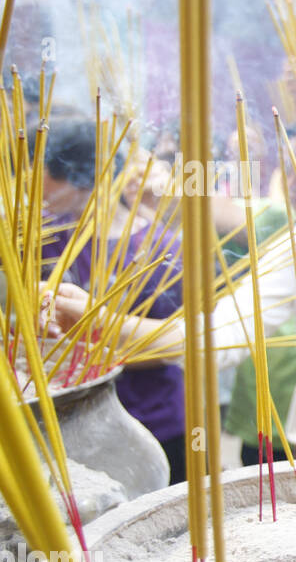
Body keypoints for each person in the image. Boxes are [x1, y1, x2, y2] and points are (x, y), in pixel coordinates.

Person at [42, 120, 190, 483]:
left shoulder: (161, 248)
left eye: (46, 176)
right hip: (76, 424)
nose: (38, 188)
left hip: (152, 419)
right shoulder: (50, 237)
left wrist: (91, 338)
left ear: (80, 181)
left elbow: (169, 345)